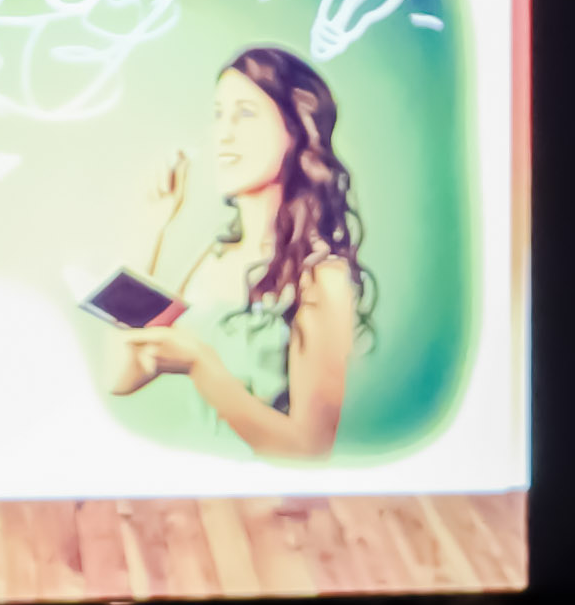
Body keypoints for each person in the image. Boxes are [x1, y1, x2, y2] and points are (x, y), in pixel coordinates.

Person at [106, 44, 374, 461]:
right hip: (205, 502)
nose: (223, 133)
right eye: (218, 115)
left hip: (270, 515)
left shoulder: (321, 276)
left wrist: (201, 365)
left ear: (295, 130)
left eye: (245, 114)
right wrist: (152, 230)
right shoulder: (214, 258)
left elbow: (309, 453)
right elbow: (121, 375)